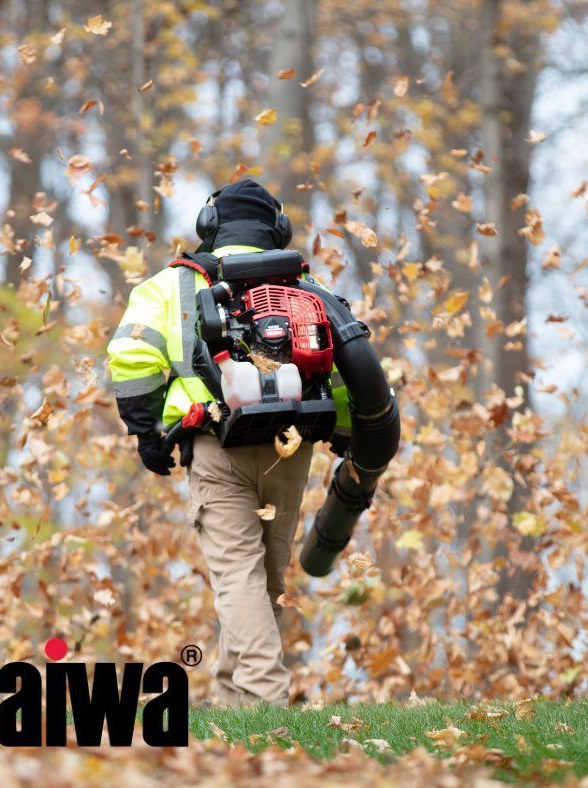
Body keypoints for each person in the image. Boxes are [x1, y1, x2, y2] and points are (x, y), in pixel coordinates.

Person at [106, 180, 398, 705]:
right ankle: (231, 702)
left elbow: (131, 360)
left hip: (216, 444)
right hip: (292, 444)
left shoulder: (172, 285)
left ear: (209, 226)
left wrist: (147, 432)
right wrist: (348, 434)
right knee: (262, 579)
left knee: (237, 577)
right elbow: (344, 372)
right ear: (277, 228)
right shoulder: (308, 289)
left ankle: (264, 701)